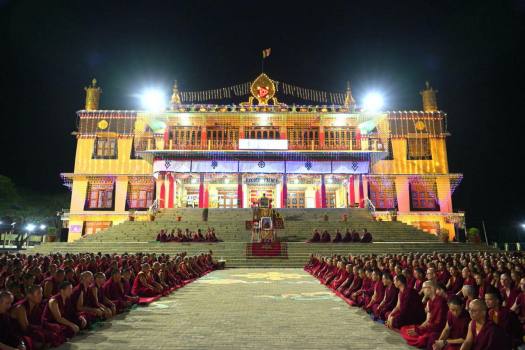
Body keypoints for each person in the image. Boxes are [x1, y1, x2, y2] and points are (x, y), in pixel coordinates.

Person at [400, 280, 448, 348]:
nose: (422, 290)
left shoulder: (440, 302)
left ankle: (417, 339)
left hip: (435, 330)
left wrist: (419, 330)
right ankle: (416, 338)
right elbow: (427, 320)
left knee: (421, 339)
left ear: (430, 288)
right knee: (404, 328)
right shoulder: (430, 302)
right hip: (427, 328)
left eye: (424, 288)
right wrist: (419, 328)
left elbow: (438, 324)